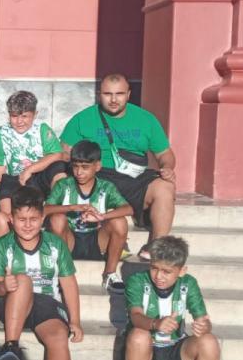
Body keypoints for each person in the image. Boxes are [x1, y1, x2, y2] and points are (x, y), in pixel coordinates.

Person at [0, 185, 92, 360]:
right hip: (12, 301)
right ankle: (11, 346)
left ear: (43, 218)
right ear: (11, 219)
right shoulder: (2, 246)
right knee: (23, 281)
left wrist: (74, 320)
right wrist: (4, 286)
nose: (27, 225)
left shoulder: (55, 245)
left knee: (57, 334)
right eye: (21, 219)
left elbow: (68, 284)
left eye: (33, 219)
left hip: (45, 302)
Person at [59, 73, 176, 259]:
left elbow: (164, 154)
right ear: (99, 94)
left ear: (128, 94)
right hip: (97, 177)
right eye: (107, 94)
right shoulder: (82, 119)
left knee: (165, 187)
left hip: (134, 177)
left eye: (119, 94)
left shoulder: (146, 119)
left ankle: (157, 246)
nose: (113, 100)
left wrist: (167, 167)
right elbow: (63, 153)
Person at [45, 140, 134, 294]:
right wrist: (72, 208)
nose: (79, 172)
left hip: (97, 241)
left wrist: (102, 217)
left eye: (85, 167)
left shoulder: (106, 187)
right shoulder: (64, 185)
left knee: (119, 221)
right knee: (57, 218)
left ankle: (110, 274)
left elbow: (128, 209)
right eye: (75, 167)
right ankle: (61, 274)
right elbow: (44, 209)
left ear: (97, 166)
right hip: (69, 240)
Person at [0, 90, 68, 212]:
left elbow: (58, 154)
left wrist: (30, 170)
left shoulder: (42, 129)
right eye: (14, 116)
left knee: (59, 168)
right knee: (5, 203)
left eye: (24, 116)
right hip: (14, 178)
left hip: (39, 175)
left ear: (35, 114)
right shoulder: (1, 133)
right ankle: (9, 220)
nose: (19, 121)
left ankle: (55, 208)